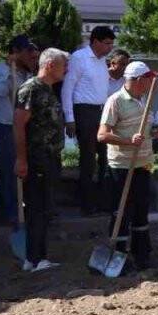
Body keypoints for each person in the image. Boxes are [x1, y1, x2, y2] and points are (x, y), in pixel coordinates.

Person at [98, 62, 158, 270]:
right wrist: (128, 141)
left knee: (141, 211)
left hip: (143, 165)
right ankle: (119, 256)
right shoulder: (115, 101)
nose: (151, 82)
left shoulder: (145, 100)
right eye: (148, 78)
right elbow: (102, 135)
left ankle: (142, 255)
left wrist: (154, 134)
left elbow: (144, 134)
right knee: (121, 212)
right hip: (122, 167)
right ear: (137, 80)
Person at [14, 48, 69, 272]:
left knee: (45, 209)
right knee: (37, 208)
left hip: (50, 157)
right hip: (37, 158)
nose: (66, 69)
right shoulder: (31, 89)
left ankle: (37, 257)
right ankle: (35, 259)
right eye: (63, 65)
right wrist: (21, 159)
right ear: (49, 65)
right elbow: (19, 125)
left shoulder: (48, 89)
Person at [0, 36, 39, 228]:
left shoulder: (29, 74)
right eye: (27, 52)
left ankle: (17, 209)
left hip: (25, 127)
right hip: (6, 127)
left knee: (21, 171)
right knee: (8, 171)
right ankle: (7, 213)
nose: (32, 55)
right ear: (15, 52)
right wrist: (9, 74)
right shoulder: (1, 71)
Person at [62, 26, 115, 214]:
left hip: (101, 112)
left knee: (105, 158)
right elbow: (68, 88)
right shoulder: (79, 58)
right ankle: (86, 204)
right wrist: (69, 118)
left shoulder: (102, 62)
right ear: (95, 41)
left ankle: (102, 201)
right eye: (107, 44)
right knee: (88, 160)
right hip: (84, 112)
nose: (110, 48)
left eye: (112, 44)